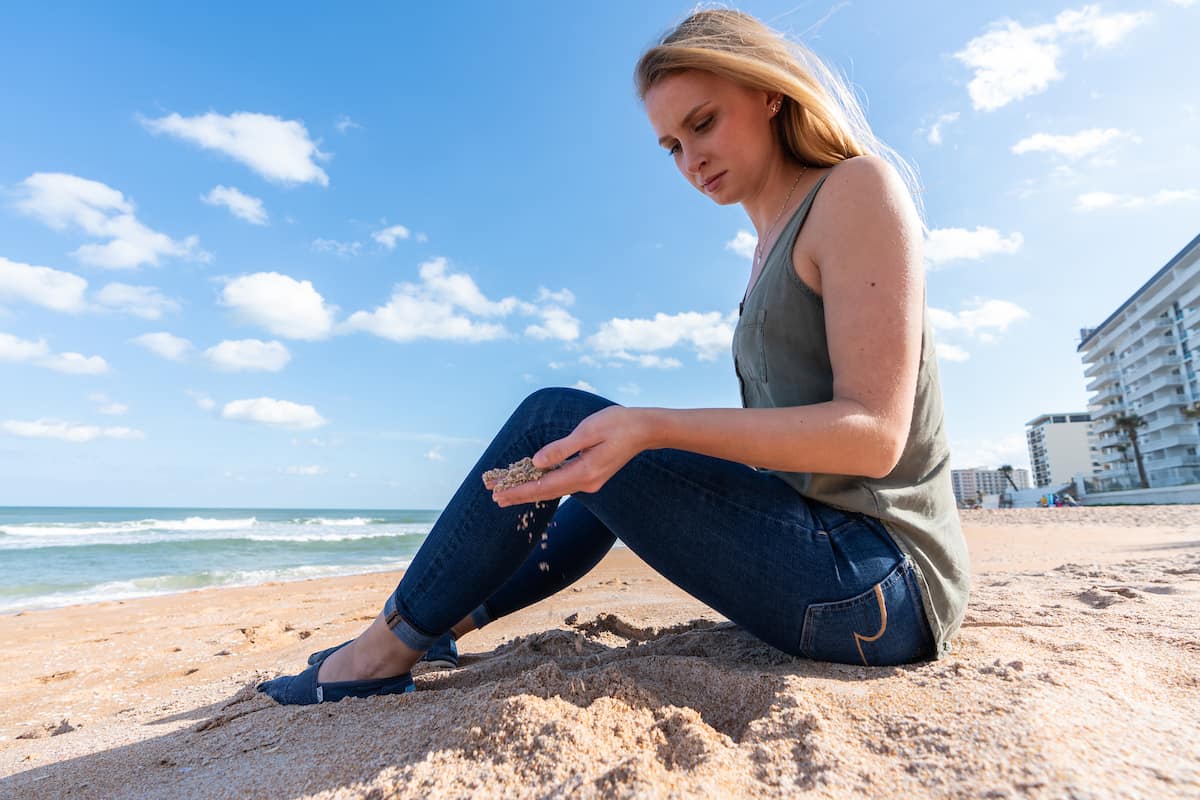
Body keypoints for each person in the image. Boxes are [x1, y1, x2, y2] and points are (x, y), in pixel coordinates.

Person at [259, 8, 970, 705]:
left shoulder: (853, 190)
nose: (692, 161)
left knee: (555, 420)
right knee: (601, 452)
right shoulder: (765, 251)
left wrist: (651, 426)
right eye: (671, 147)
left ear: (768, 92)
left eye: (703, 123)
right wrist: (638, 443)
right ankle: (441, 622)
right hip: (843, 565)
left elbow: (875, 436)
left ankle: (381, 651)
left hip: (881, 583)